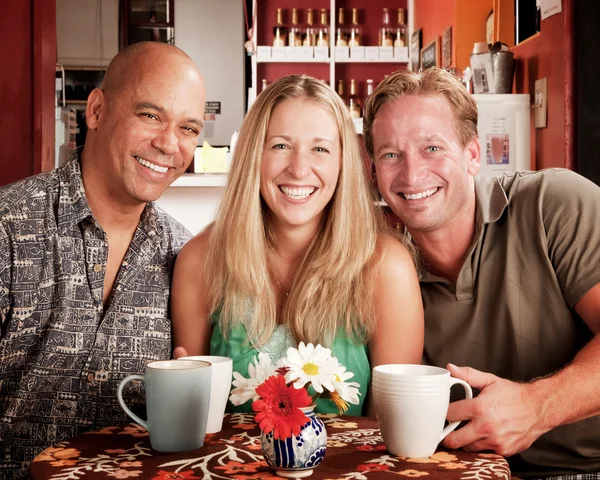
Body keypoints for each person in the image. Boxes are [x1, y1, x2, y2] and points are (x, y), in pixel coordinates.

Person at [362, 67, 600, 477]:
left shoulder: (555, 203)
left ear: (473, 155)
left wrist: (536, 407)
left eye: (432, 148)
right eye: (390, 154)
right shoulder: (377, 266)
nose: (411, 174)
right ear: (373, 173)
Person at [0, 42, 205, 476]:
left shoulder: (184, 257)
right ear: (96, 111)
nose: (169, 144)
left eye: (188, 128)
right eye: (150, 115)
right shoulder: (9, 229)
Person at [171, 74, 424, 416]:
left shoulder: (386, 266)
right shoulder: (200, 260)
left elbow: (393, 431)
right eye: (280, 146)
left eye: (320, 149)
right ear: (253, 156)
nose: (299, 168)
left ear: (342, 162)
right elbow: (194, 417)